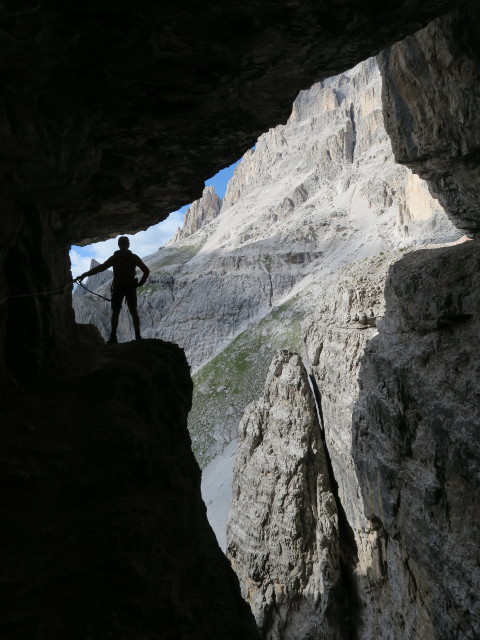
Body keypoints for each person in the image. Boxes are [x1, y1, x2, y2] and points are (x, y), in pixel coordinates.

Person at [77, 236, 150, 343]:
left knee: (115, 312)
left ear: (119, 245)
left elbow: (101, 267)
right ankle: (138, 336)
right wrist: (139, 284)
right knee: (133, 311)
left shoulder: (115, 258)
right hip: (130, 287)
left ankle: (113, 337)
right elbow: (146, 271)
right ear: (128, 245)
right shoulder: (133, 257)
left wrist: (85, 274)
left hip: (118, 287)